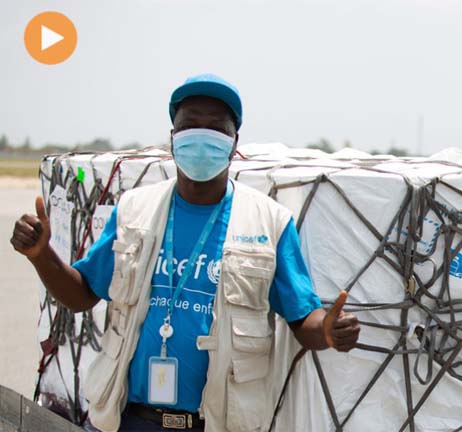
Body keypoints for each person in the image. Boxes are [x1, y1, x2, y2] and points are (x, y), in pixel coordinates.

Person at [10, 74, 360, 431]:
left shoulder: (269, 223)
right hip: (132, 420)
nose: (202, 137)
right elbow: (81, 293)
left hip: (217, 424)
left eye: (216, 128)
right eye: (190, 125)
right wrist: (41, 254)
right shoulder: (134, 211)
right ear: (173, 138)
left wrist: (327, 331)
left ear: (234, 143)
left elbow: (302, 320)